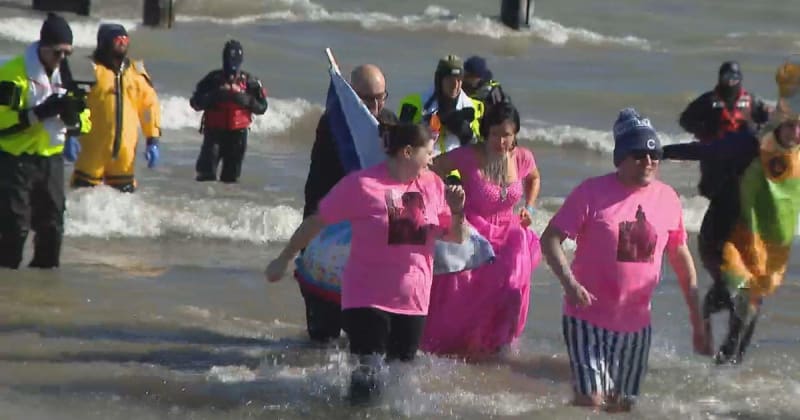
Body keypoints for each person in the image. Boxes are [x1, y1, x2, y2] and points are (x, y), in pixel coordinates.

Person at [266, 122, 468, 404]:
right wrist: (284, 258)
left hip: (413, 298)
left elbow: (456, 237)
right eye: (429, 151)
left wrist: (458, 212)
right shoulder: (362, 185)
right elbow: (316, 221)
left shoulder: (433, 185)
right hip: (367, 296)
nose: (433, 158)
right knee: (367, 378)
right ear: (408, 152)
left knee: (400, 383)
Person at [540, 108, 709, 411]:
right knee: (590, 401)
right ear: (621, 157)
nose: (648, 163)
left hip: (637, 324)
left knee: (622, 406)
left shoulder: (668, 198)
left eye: (654, 156)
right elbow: (550, 238)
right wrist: (570, 283)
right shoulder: (591, 192)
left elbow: (680, 257)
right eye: (639, 155)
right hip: (587, 317)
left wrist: (697, 321)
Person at [663, 58, 800, 365]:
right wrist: (662, 152)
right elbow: (705, 151)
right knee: (734, 293)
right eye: (791, 125)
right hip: (722, 230)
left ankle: (730, 362)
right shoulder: (750, 142)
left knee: (751, 302)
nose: (796, 132)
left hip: (763, 239)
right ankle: (709, 323)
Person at [422, 103, 541, 358]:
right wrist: (445, 196)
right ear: (486, 132)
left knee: (512, 280)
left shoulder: (522, 157)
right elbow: (432, 167)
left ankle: (499, 344)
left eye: (507, 134)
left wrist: (529, 207)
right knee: (463, 291)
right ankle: (459, 344)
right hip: (474, 229)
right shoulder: (469, 155)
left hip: (510, 230)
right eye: (496, 134)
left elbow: (534, 178)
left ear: (515, 134)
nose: (501, 140)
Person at [299, 64, 398, 343]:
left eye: (382, 97)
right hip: (328, 232)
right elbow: (329, 188)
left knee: (368, 332)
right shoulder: (334, 126)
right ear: (353, 96)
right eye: (368, 100)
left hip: (370, 239)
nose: (377, 106)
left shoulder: (390, 123)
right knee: (323, 334)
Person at [0, 13, 91, 269]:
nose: (61, 59)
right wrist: (39, 113)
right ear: (42, 47)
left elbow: (85, 121)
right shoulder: (12, 75)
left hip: (51, 160)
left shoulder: (67, 75)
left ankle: (42, 288)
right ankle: (6, 286)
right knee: (15, 228)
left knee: (52, 228)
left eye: (67, 54)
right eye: (57, 53)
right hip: (14, 160)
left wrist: (74, 118)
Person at [678, 62, 773, 302]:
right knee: (719, 206)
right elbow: (685, 120)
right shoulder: (708, 100)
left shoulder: (751, 101)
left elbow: (769, 123)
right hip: (716, 164)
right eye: (727, 75)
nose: (731, 80)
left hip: (743, 165)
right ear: (720, 77)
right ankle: (721, 265)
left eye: (735, 76)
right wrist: (705, 133)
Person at [70, 23, 161, 193]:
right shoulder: (89, 69)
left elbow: (149, 107)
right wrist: (70, 132)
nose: (122, 42)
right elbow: (73, 102)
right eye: (117, 39)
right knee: (82, 195)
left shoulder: (136, 72)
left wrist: (152, 139)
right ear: (104, 42)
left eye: (125, 38)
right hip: (91, 149)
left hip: (124, 153)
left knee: (124, 198)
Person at [190, 40, 268, 183]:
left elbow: (262, 107)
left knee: (231, 179)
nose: (231, 73)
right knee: (205, 174)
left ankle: (226, 203)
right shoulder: (212, 80)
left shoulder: (250, 82)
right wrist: (216, 96)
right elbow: (195, 102)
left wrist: (245, 100)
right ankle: (201, 203)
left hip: (238, 136)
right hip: (214, 133)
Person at [398, 55, 484, 157]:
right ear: (439, 79)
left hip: (458, 169)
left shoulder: (474, 107)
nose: (455, 85)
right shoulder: (413, 104)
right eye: (450, 80)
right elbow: (400, 143)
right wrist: (430, 123)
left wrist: (468, 136)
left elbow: (480, 150)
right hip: (424, 166)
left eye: (459, 80)